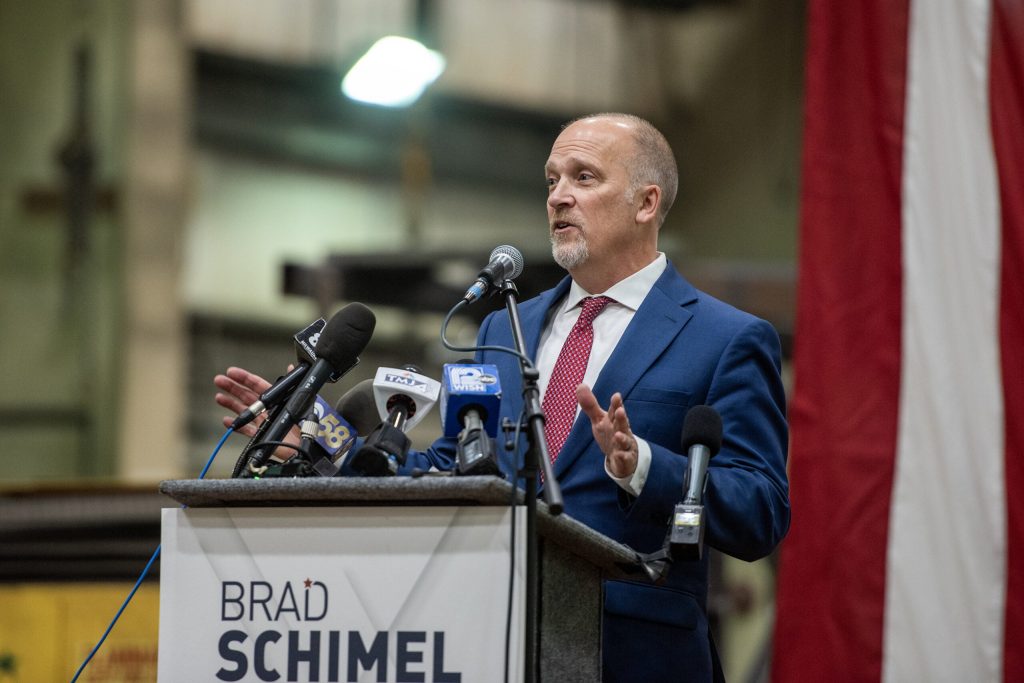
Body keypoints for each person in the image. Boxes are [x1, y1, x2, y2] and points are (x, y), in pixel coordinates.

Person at [215, 113, 789, 682]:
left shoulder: (726, 338)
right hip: (489, 639)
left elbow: (759, 509)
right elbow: (456, 470)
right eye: (552, 180)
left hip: (632, 653)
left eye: (583, 178)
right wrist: (323, 448)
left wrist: (644, 466)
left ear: (646, 203)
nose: (559, 197)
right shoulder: (504, 329)